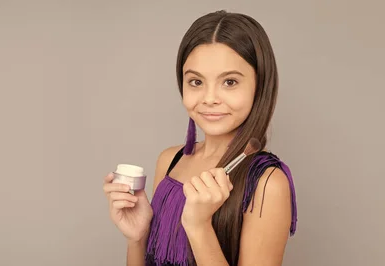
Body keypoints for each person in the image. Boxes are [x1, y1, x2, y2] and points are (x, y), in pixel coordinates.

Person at [102, 10, 298, 266]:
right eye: (196, 82)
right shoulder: (169, 160)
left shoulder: (267, 183)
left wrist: (198, 226)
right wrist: (137, 238)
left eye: (229, 82)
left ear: (259, 86)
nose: (209, 98)